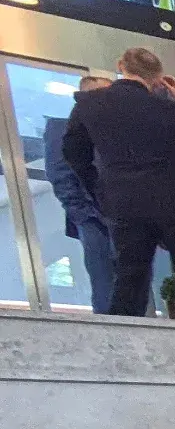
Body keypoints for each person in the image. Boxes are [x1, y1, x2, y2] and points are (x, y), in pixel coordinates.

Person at [62, 47, 175, 322]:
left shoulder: (89, 104)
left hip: (125, 204)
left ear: (120, 65)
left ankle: (123, 339)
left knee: (130, 278)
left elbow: (73, 152)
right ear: (158, 78)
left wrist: (99, 189)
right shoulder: (170, 109)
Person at [40, 74, 116, 313]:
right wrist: (84, 214)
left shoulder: (117, 130)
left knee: (134, 283)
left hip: (125, 216)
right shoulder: (62, 129)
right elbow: (59, 175)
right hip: (92, 217)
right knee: (104, 283)